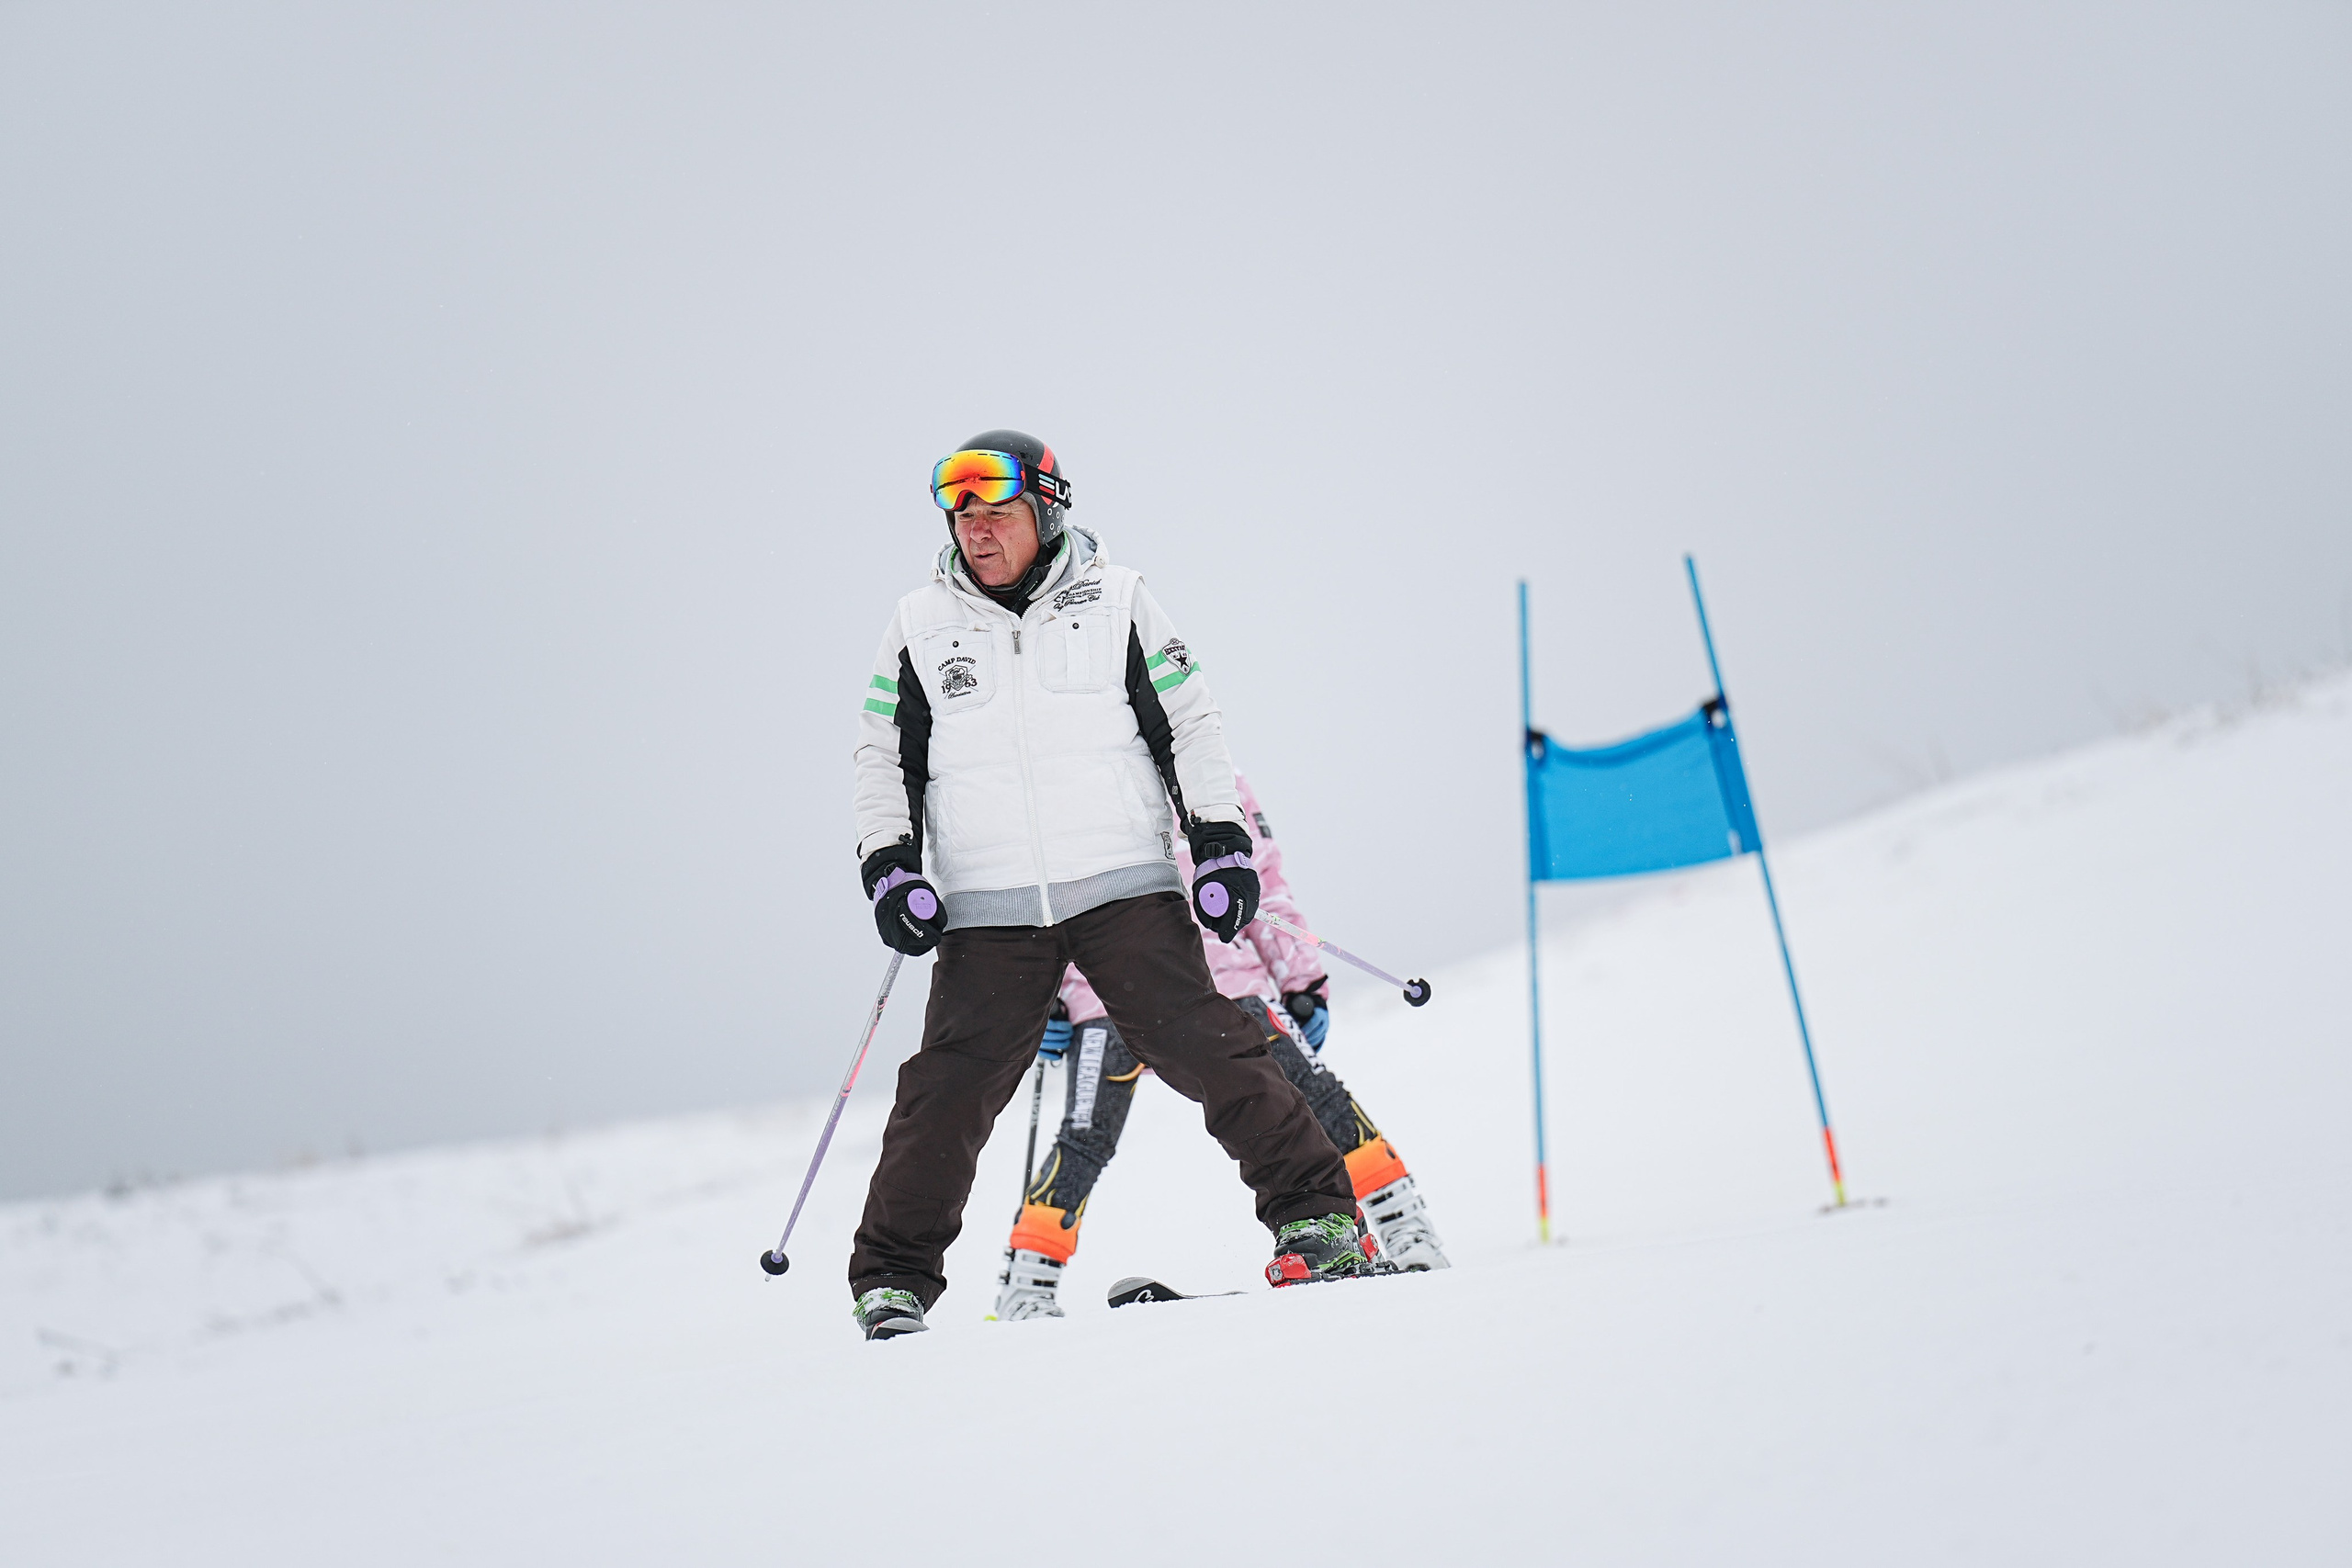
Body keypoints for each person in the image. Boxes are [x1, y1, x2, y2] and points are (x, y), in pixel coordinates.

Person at [845, 431, 1374, 1341]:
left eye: (998, 513)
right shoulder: (919, 626)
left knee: (1211, 1046)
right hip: (988, 906)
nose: (977, 531)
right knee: (948, 1087)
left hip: (1123, 885)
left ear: (1045, 512)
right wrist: (890, 865)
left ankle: (1316, 1218)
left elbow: (1190, 725)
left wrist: (1219, 840)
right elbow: (883, 757)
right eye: (962, 515)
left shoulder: (1120, 600)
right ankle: (892, 1279)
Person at [994, 771, 1450, 1321]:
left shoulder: (1203, 772)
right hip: (1107, 993)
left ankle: (1407, 1231)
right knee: (1087, 1135)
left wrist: (1299, 977)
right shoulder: (1068, 770)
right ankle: (1027, 1287)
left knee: (1310, 1098)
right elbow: (1037, 904)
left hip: (1225, 982)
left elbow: (1261, 878)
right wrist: (1047, 999)